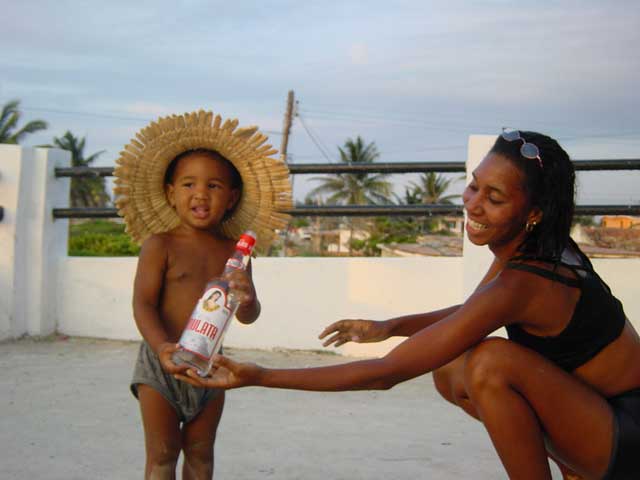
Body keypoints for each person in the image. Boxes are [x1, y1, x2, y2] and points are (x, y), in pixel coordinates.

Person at [177, 130, 640, 480]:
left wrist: (260, 376)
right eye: (474, 186)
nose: (473, 204)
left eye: (494, 198)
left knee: (490, 363)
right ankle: (575, 465)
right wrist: (390, 326)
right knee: (452, 366)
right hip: (596, 412)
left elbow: (387, 373)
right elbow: (471, 311)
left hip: (626, 432)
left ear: (533, 213)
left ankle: (579, 467)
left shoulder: (525, 281)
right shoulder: (536, 249)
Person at [113, 110, 291, 479]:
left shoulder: (236, 252)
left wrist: (248, 298)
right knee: (162, 455)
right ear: (170, 193)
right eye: (188, 184)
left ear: (232, 197)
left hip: (210, 364)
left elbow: (248, 314)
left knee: (201, 453)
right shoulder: (160, 245)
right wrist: (162, 347)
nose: (200, 194)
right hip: (159, 364)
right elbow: (143, 304)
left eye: (214, 186)